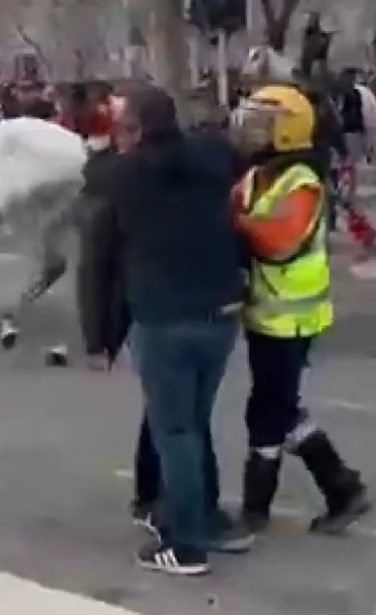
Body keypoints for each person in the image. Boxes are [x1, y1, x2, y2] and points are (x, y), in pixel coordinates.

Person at [86, 85, 253, 575]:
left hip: (164, 314)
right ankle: (209, 518)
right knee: (194, 420)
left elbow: (99, 260)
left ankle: (185, 544)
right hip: (221, 309)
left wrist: (101, 337)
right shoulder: (213, 157)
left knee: (175, 428)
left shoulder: (121, 177)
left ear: (133, 130)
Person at [229, 85, 370, 535]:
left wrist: (232, 223)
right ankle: (340, 487)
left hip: (291, 318)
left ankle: (267, 507)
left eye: (261, 123)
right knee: (278, 408)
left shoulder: (303, 182)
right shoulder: (256, 176)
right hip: (263, 313)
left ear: (287, 132)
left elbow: (278, 240)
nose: (249, 131)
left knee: (270, 411)